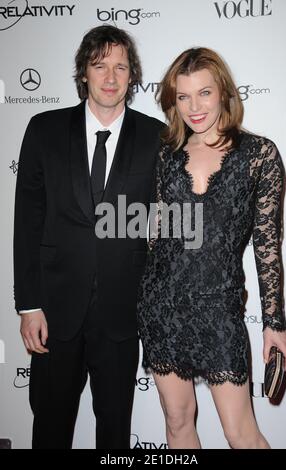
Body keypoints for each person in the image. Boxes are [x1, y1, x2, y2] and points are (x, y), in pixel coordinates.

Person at [13, 25, 164, 449]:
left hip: (122, 314)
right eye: (100, 66)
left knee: (114, 433)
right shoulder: (43, 130)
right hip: (54, 315)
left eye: (121, 67)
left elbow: (170, 225)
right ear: (84, 72)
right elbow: (26, 223)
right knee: (50, 428)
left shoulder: (156, 137)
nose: (111, 77)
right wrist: (29, 305)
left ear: (132, 75)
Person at [137, 47, 286, 449]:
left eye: (204, 93)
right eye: (183, 96)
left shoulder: (259, 155)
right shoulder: (166, 154)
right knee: (177, 421)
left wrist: (274, 323)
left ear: (224, 92)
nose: (194, 107)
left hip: (218, 308)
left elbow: (267, 244)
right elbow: (157, 233)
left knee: (241, 433)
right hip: (162, 305)